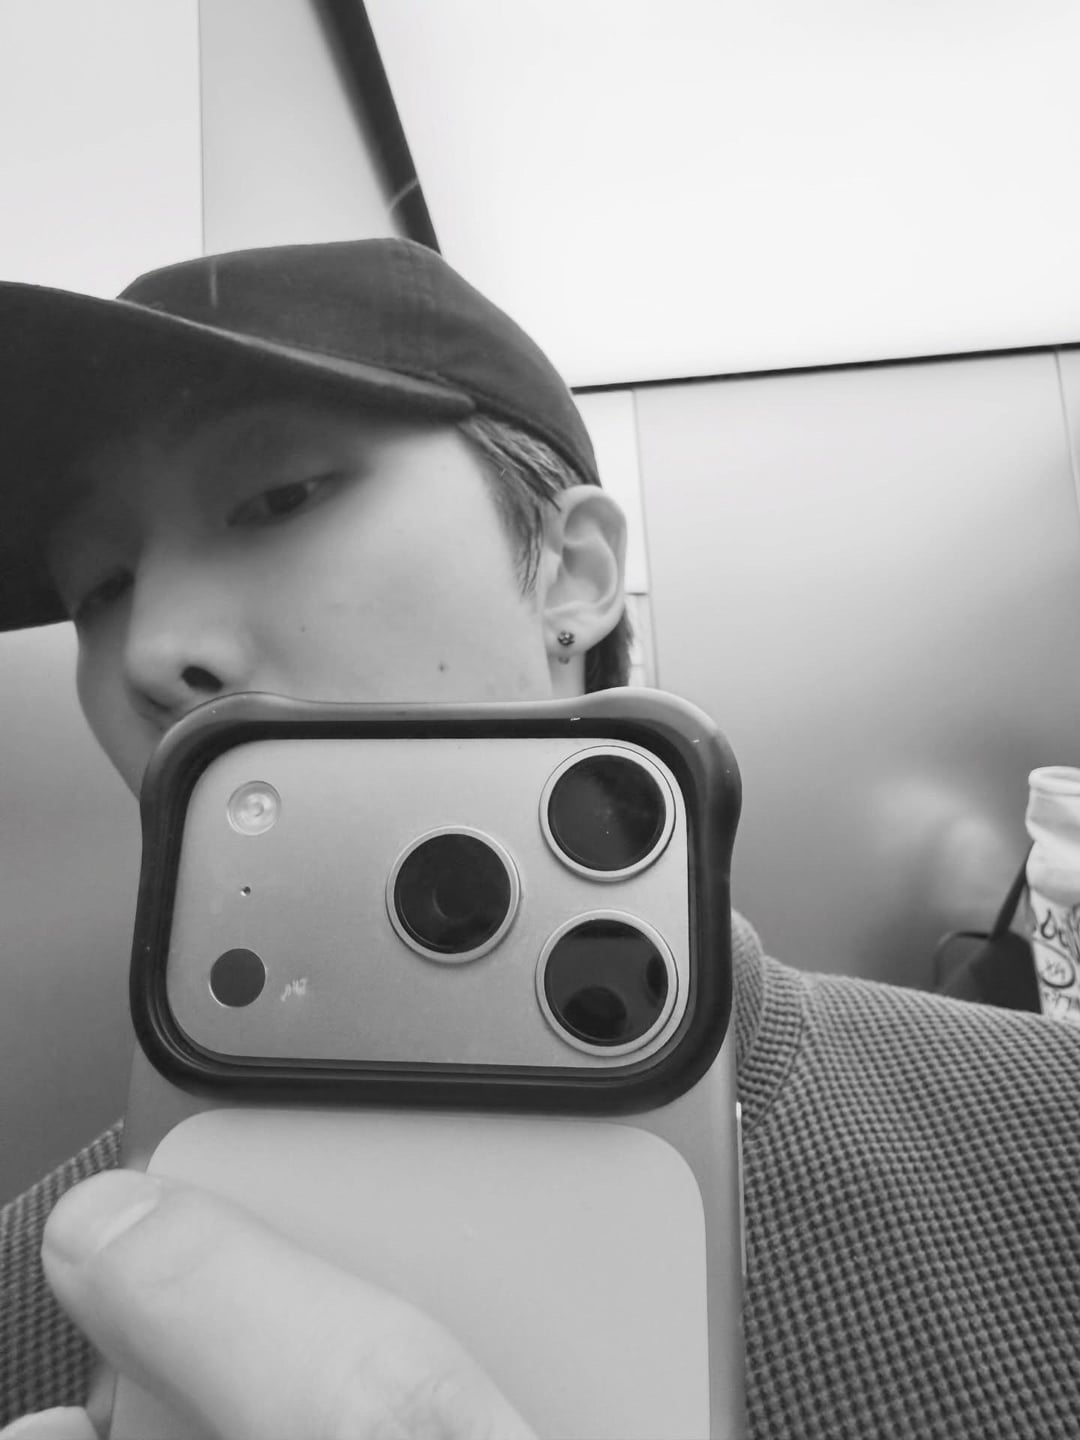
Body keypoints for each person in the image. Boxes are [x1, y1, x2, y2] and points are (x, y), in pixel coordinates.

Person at [1, 239, 1080, 1440]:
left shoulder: (1051, 1138)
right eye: (99, 587)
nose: (152, 651)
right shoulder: (26, 1285)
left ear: (573, 571)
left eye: (277, 498)